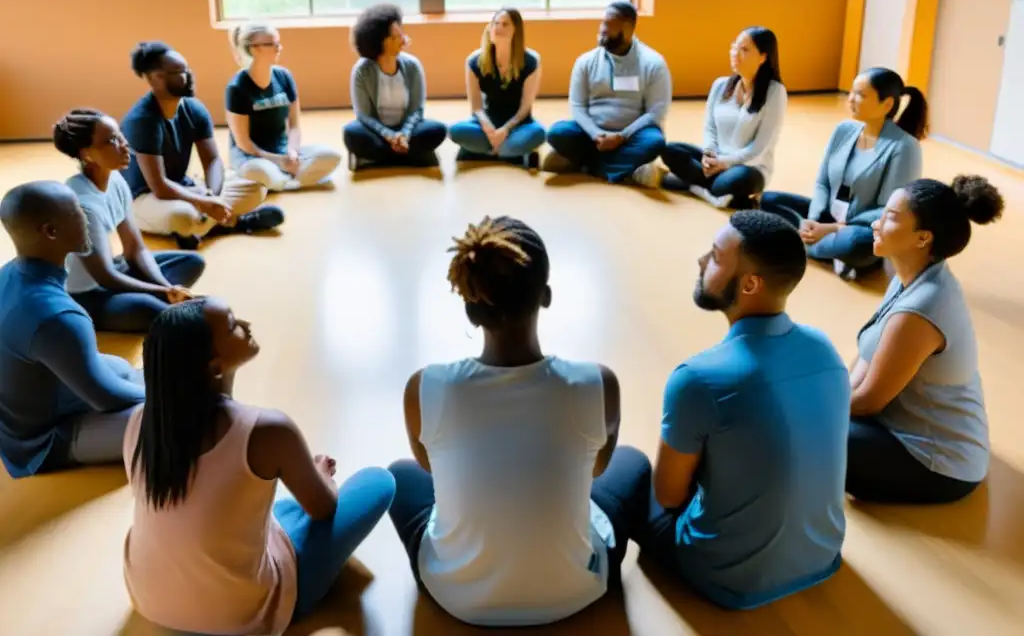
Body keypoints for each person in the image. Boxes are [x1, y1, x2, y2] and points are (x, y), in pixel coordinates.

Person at [386, 216, 651, 627]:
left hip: (457, 598)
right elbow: (599, 470)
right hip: (576, 593)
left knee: (400, 475)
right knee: (632, 462)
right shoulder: (595, 383)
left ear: (472, 311)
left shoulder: (425, 386)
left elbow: (426, 466)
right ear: (545, 296)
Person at [123, 298, 396, 634]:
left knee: (269, 508)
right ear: (214, 367)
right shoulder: (267, 430)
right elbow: (324, 508)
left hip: (149, 599)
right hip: (243, 616)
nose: (247, 325)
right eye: (233, 325)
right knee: (379, 482)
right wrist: (322, 476)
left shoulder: (139, 422)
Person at [640, 211, 849, 609]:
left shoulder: (699, 378)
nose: (702, 261)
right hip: (822, 557)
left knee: (628, 471)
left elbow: (667, 495)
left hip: (726, 577)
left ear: (751, 284)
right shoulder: (825, 349)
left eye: (716, 257)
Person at [847, 176, 1002, 504]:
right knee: (810, 414)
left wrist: (810, 406)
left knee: (802, 433)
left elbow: (867, 401)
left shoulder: (921, 309)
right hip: (906, 427)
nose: (876, 222)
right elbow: (868, 357)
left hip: (939, 464)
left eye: (889, 217)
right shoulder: (909, 276)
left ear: (922, 238)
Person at [0, 181, 144, 478]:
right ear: (51, 232)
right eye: (78, 211)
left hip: (18, 417)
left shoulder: (9, 274)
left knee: (121, 368)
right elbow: (105, 397)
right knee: (181, 419)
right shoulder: (57, 315)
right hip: (44, 439)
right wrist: (168, 395)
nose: (88, 216)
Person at [761, 67, 925, 280]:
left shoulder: (905, 147)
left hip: (861, 228)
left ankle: (804, 245)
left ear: (887, 104)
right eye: (852, 92)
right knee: (768, 200)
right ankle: (820, 246)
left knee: (857, 244)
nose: (851, 99)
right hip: (829, 215)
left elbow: (888, 210)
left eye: (861, 95)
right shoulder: (844, 129)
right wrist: (814, 218)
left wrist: (831, 228)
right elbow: (822, 182)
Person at [53, 109, 206, 334]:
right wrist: (160, 292)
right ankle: (149, 301)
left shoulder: (115, 179)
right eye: (111, 141)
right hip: (87, 295)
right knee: (156, 311)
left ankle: (155, 296)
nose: (124, 144)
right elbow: (104, 275)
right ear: (88, 155)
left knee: (192, 262)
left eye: (120, 135)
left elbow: (135, 249)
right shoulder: (83, 206)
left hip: (115, 271)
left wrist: (165, 287)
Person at [122, 41, 285, 250]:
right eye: (177, 72)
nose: (187, 76)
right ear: (155, 78)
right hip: (144, 199)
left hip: (184, 188)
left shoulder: (193, 108)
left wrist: (211, 196)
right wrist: (203, 202)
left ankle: (200, 228)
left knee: (256, 189)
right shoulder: (143, 120)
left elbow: (213, 161)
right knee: (181, 216)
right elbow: (159, 186)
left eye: (187, 69)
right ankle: (235, 222)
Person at [546, 2, 671, 186]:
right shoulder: (585, 61)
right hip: (592, 135)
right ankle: (624, 170)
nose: (602, 29)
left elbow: (655, 113)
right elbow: (577, 106)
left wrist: (621, 136)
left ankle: (587, 164)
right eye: (602, 23)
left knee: (655, 142)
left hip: (631, 135)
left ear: (628, 29)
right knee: (557, 133)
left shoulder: (653, 63)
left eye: (609, 24)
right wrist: (596, 134)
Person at [661, 27, 786, 209]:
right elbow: (710, 127)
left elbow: (760, 148)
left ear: (763, 57)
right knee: (670, 150)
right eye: (734, 47)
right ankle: (720, 194)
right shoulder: (720, 85)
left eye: (744, 50)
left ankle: (694, 185)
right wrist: (709, 153)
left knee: (740, 179)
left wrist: (724, 163)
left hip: (748, 167)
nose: (735, 54)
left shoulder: (775, 92)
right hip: (716, 161)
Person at [226, 23, 343, 191]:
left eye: (278, 43)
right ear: (254, 49)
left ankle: (280, 181)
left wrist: (292, 152)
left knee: (332, 156)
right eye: (272, 44)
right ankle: (288, 179)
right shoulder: (237, 88)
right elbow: (243, 143)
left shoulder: (284, 76)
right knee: (257, 171)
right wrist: (276, 160)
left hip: (282, 151)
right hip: (251, 156)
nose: (279, 48)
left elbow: (294, 126)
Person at [343, 4, 447, 170]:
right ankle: (408, 155)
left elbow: (417, 110)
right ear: (378, 44)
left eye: (401, 34)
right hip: (377, 132)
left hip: (408, 131)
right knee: (351, 132)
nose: (402, 40)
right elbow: (363, 116)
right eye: (394, 38)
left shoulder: (412, 66)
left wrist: (404, 134)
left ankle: (382, 158)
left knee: (437, 130)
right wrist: (389, 136)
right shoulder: (362, 71)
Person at [448, 8, 546, 168]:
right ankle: (509, 153)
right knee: (454, 130)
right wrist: (489, 129)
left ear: (516, 31)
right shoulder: (474, 61)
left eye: (505, 24)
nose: (498, 28)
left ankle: (485, 152)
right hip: (487, 126)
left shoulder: (531, 61)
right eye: (496, 23)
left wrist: (505, 131)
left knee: (539, 133)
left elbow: (525, 108)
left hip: (517, 125)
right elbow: (476, 107)